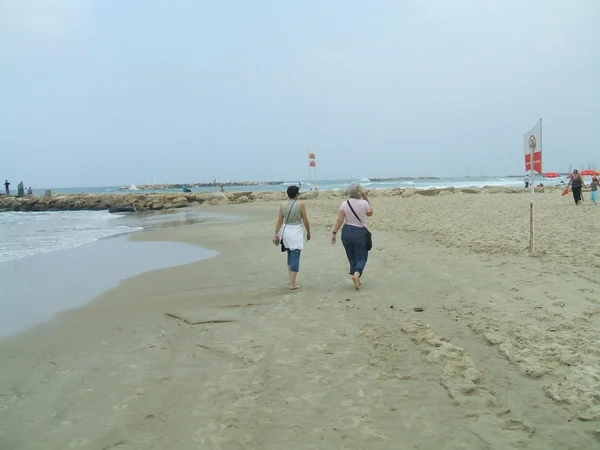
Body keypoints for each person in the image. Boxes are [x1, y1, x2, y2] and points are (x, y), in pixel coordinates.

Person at [331, 183, 373, 290]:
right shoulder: (364, 203)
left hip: (347, 232)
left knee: (351, 256)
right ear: (360, 191)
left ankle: (356, 277)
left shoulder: (345, 203)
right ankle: (356, 275)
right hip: (360, 232)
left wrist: (334, 232)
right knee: (362, 256)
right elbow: (370, 213)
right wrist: (366, 198)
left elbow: (340, 220)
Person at [273, 185, 311, 290]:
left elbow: (280, 221)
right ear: (296, 194)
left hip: (285, 231)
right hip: (296, 232)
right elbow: (305, 220)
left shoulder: (282, 204)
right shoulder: (300, 204)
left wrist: (276, 233)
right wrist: (308, 232)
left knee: (290, 255)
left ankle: (291, 280)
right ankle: (292, 284)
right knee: (295, 256)